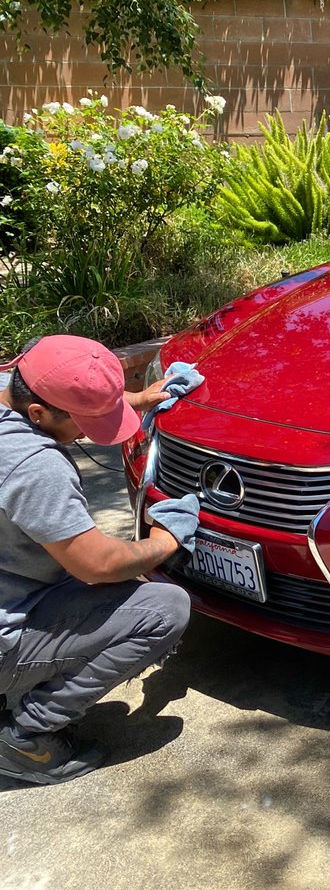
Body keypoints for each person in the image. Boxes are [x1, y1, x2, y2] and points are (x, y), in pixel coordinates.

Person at [0, 335, 196, 785]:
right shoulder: (32, 466)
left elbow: (54, 391)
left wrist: (138, 399)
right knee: (163, 610)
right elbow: (99, 564)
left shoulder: (15, 387)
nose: (89, 434)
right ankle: (27, 736)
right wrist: (166, 539)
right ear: (38, 415)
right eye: (84, 422)